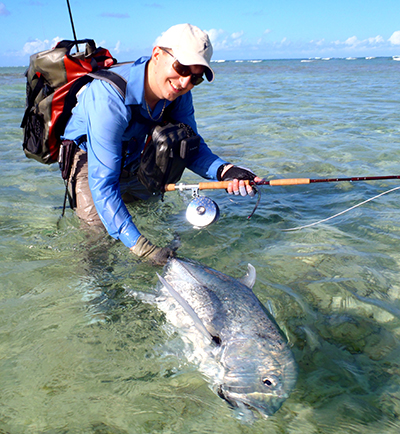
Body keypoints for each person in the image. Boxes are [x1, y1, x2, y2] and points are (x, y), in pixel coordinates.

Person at [62, 23, 262, 265]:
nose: (185, 82)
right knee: (97, 241)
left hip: (134, 154)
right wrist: (142, 247)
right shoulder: (108, 98)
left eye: (195, 78)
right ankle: (96, 297)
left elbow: (190, 148)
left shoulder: (179, 95)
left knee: (152, 218)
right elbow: (103, 183)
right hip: (89, 160)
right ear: (157, 55)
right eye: (181, 67)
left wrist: (226, 170)